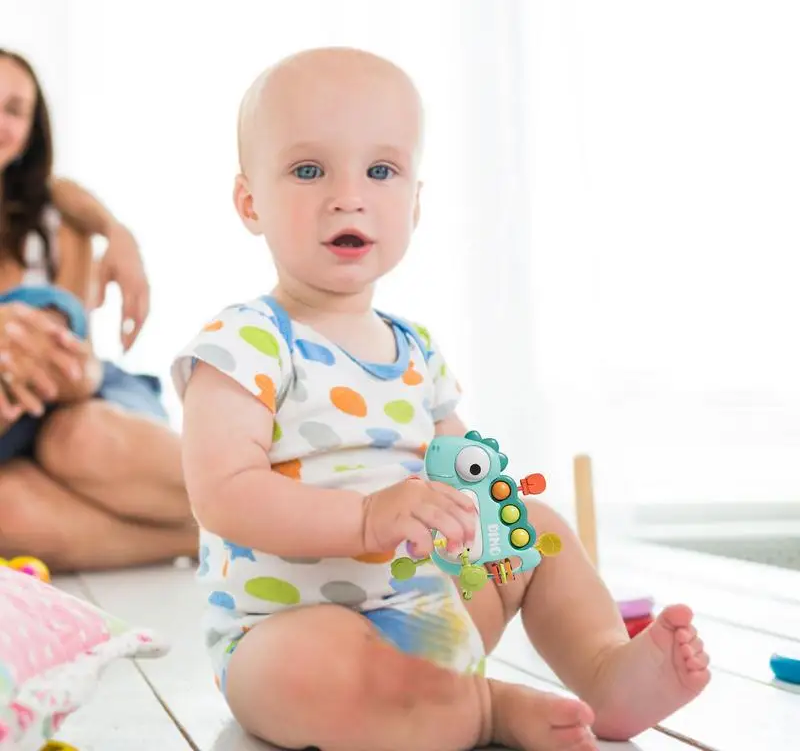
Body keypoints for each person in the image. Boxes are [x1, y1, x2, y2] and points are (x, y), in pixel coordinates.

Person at [172, 47, 710, 751]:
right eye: (309, 170)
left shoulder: (416, 350)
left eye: (381, 171)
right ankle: (485, 709)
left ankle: (605, 669)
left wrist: (486, 510)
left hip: (433, 611)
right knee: (312, 660)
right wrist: (365, 518)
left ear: (416, 204)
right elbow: (224, 493)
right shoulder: (247, 340)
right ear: (251, 203)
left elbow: (465, 478)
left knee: (536, 530)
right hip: (290, 631)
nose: (348, 195)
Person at [0, 47, 196, 571]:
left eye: (14, 109)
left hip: (77, 399)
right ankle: (208, 539)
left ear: (31, 131)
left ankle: (311, 502)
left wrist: (114, 230)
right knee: (6, 510)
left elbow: (80, 371)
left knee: (78, 439)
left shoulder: (58, 219)